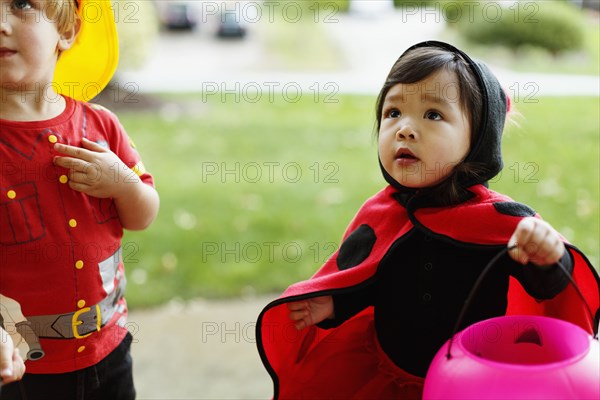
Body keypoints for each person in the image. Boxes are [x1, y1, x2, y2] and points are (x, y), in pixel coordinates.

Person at [256, 41, 600, 399]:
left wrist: (547, 258)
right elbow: (371, 279)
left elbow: (548, 288)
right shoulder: (381, 215)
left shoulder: (503, 221)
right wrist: (333, 305)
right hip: (390, 377)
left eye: (433, 114)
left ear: (478, 138)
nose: (404, 128)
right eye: (392, 113)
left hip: (471, 384)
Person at [0, 0, 159, 398]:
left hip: (110, 350)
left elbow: (143, 214)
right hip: (20, 365)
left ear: (66, 32)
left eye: (21, 4)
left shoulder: (102, 126)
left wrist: (125, 184)